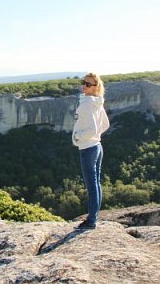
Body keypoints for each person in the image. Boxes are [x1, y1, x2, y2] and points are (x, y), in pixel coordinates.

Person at [72, 72, 110, 229]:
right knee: (96, 183)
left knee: (91, 185)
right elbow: (105, 124)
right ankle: (94, 216)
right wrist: (96, 137)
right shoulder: (97, 102)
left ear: (95, 87)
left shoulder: (87, 104)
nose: (84, 86)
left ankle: (92, 221)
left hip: (88, 148)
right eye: (83, 82)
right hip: (97, 147)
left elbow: (93, 128)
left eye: (88, 84)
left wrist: (78, 137)